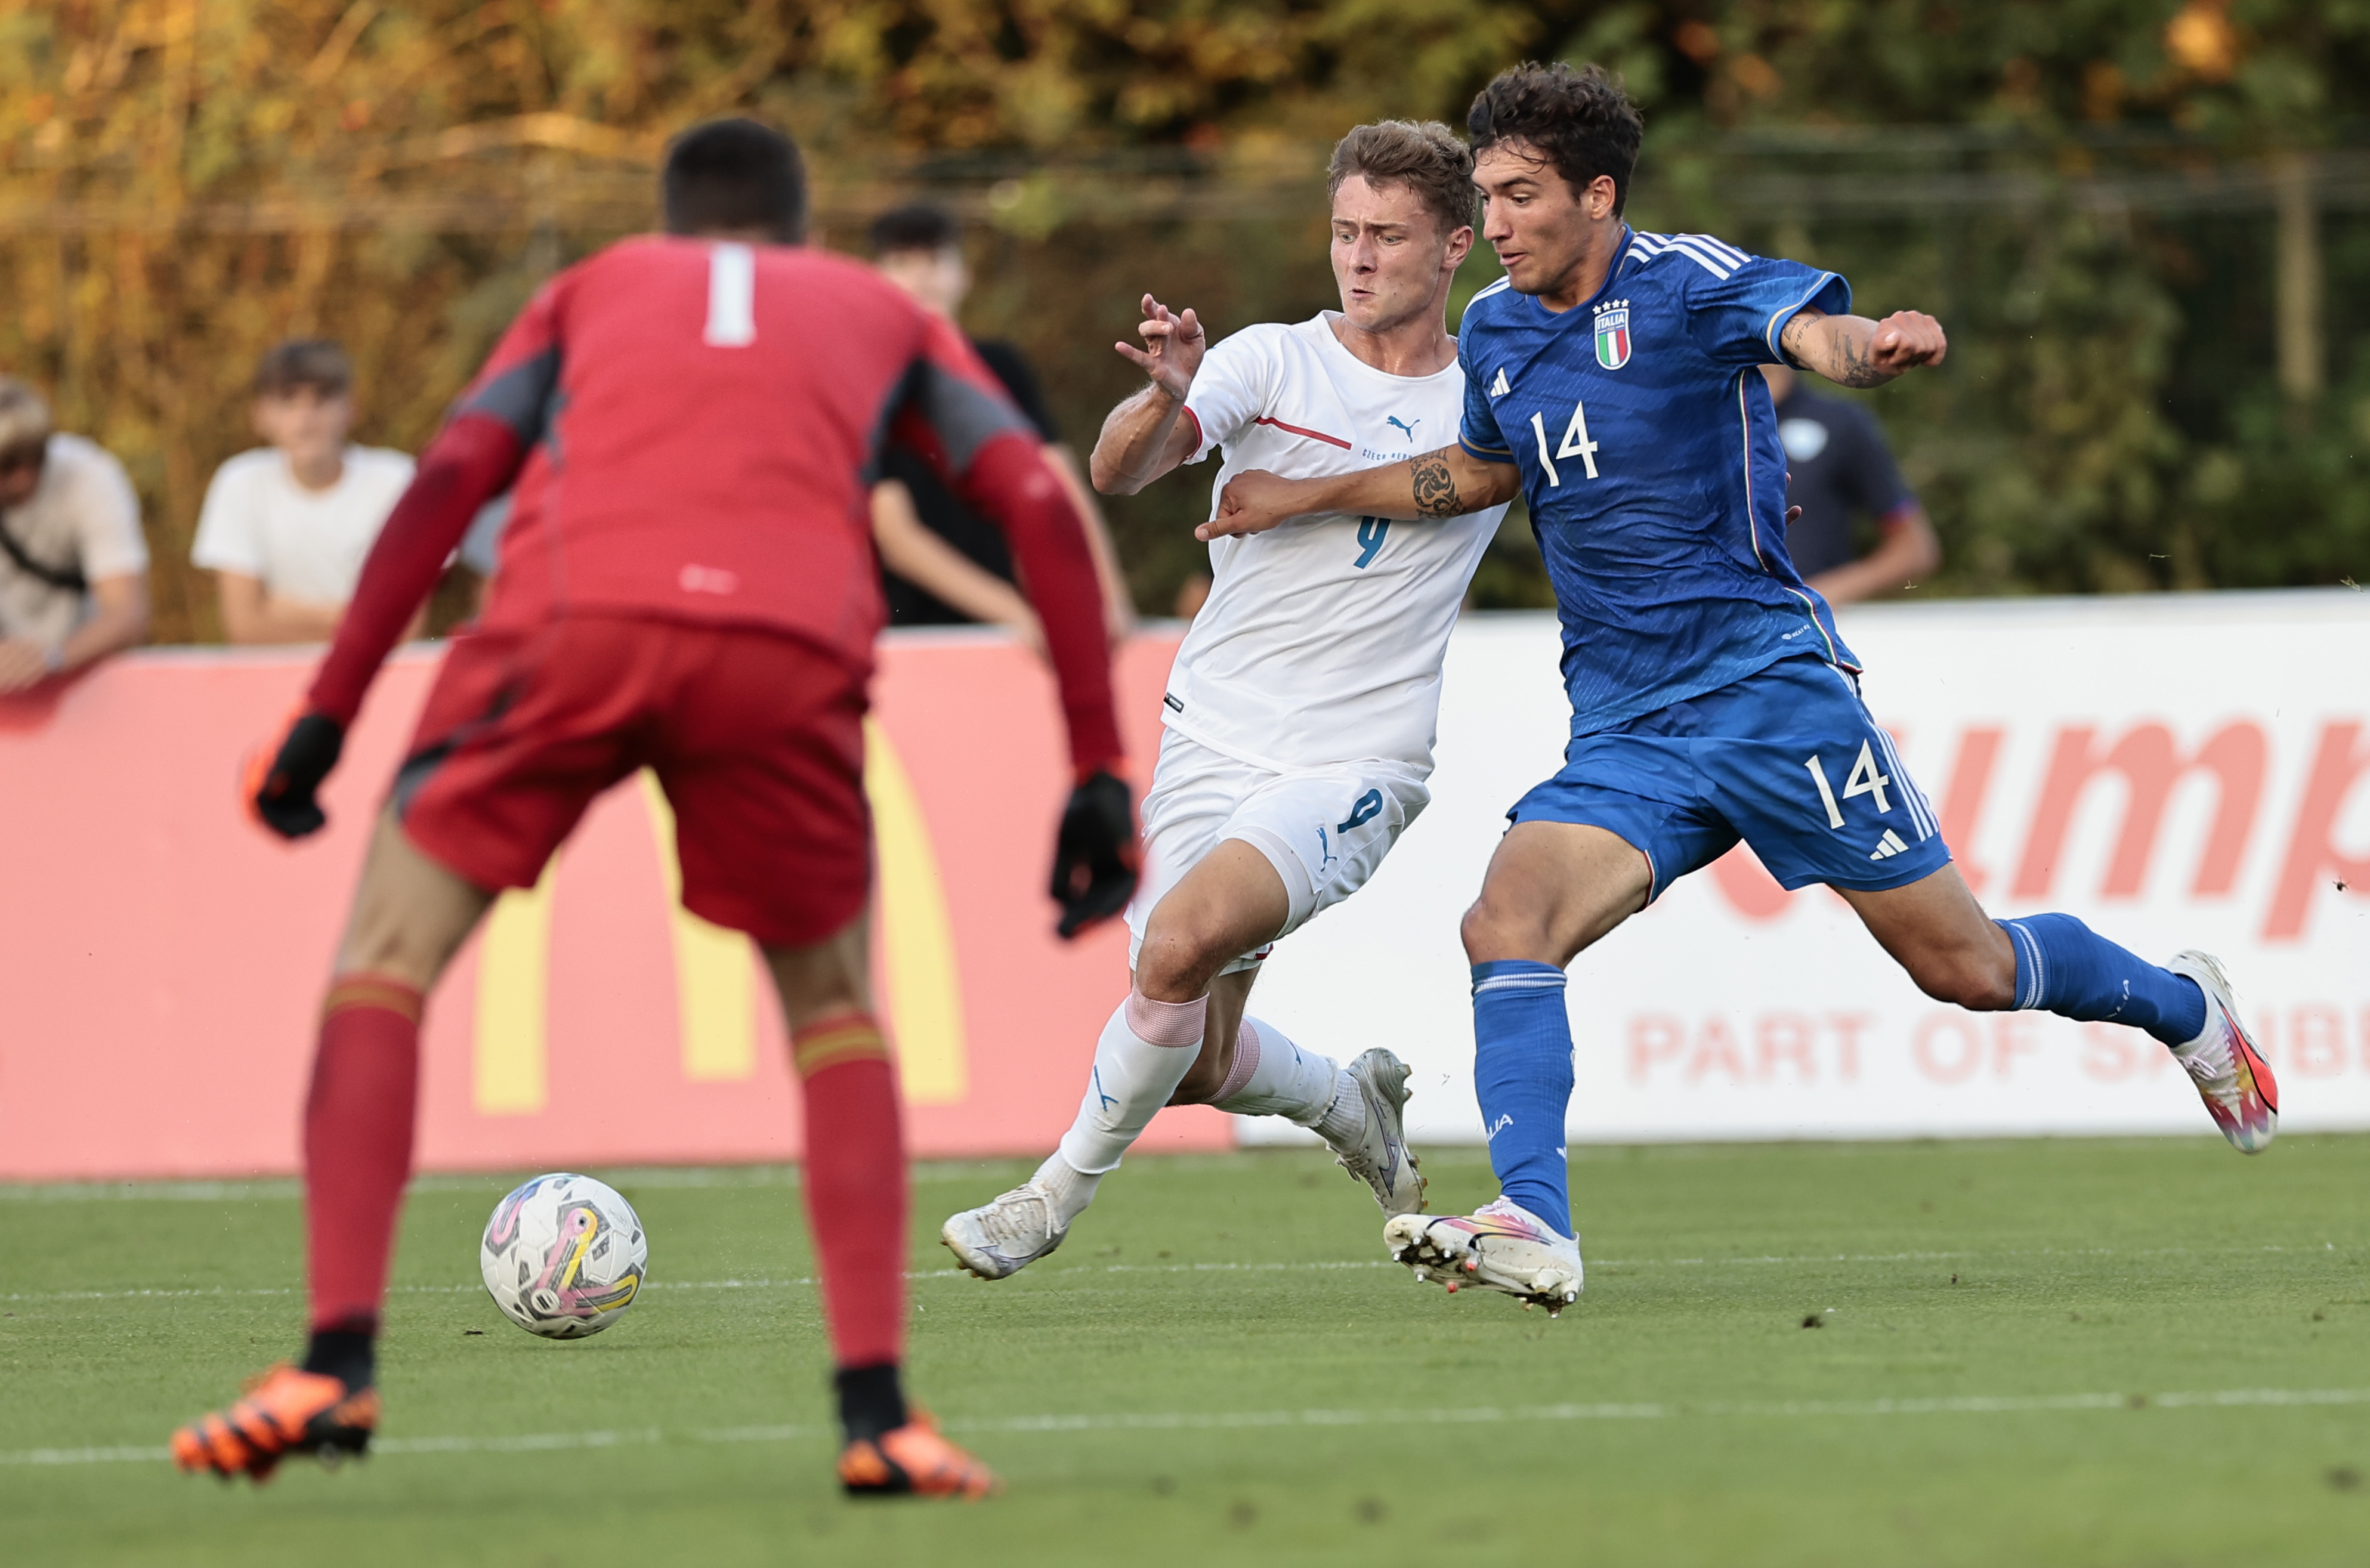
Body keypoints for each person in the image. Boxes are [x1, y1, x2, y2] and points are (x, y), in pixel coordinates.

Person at [171, 118, 1138, 1499]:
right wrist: (1094, 765)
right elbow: (1034, 500)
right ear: (801, 237)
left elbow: (451, 480)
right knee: (834, 1011)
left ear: (672, 226)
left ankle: (334, 1355)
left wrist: (324, 711)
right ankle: (876, 1409)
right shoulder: (873, 309)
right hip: (786, 648)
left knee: (383, 963)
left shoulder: (591, 289)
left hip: (575, 621)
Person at [1209, 63, 2275, 1315]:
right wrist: (1308, 493)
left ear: (1596, 196)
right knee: (1508, 921)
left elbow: (1802, 333)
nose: (1492, 224)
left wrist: (1866, 350)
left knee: (1967, 970)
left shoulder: (1682, 283)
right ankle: (1534, 1220)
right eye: (1486, 196)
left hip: (1767, 690)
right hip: (1627, 723)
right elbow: (1481, 473)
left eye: (1519, 196)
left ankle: (2187, 1006)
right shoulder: (1498, 329)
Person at [940, 120, 1509, 1279]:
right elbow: (1122, 469)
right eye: (1345, 230)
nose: (1358, 257)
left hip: (1357, 761)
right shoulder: (1270, 359)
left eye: (1388, 237)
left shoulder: (1493, 391)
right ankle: (1352, 1110)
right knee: (1196, 1055)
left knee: (1179, 947)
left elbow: (1484, 483)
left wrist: (1299, 494)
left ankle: (1045, 1201)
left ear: (1456, 246)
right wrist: (1164, 399)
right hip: (1213, 736)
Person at [867, 202, 1136, 651]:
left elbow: (1058, 486)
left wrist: (1108, 595)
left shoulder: (1001, 367)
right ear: (875, 279)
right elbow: (895, 534)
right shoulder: (869, 379)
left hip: (1016, 641)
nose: (921, 277)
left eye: (935, 260)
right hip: (908, 640)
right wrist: (1018, 615)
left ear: (963, 274)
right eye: (900, 262)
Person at [192, 340, 417, 645]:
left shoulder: (396, 480)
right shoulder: (239, 482)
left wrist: (278, 609)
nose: (304, 422)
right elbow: (244, 628)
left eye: (321, 401)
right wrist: (358, 616)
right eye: (287, 402)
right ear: (259, 415)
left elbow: (406, 630)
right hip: (272, 683)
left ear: (352, 408)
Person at [0, 379, 149, 692]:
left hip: (86, 683)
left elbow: (127, 614)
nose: (19, 477)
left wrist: (51, 658)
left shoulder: (88, 477)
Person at [1762, 361, 1941, 604]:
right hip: (1716, 629)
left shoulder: (1838, 423)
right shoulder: (1702, 427)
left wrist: (1822, 595)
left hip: (1809, 631)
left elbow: (1914, 548)